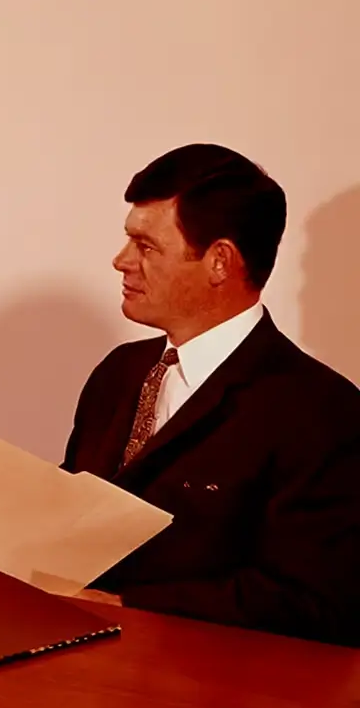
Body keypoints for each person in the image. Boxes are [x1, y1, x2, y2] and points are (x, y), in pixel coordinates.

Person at [64, 143, 360, 645]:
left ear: (219, 261)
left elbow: (315, 601)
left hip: (211, 696)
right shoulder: (117, 373)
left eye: (146, 245)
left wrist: (127, 608)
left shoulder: (322, 412)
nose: (121, 261)